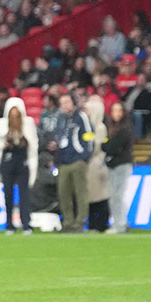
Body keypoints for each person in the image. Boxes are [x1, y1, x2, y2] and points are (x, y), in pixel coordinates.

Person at [0, 96, 37, 234]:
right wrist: (3, 143)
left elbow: (33, 142)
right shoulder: (1, 123)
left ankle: (26, 224)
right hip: (7, 160)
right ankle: (9, 224)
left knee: (24, 194)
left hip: (22, 161)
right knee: (8, 194)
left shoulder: (28, 123)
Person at [54, 93, 92, 232]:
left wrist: (85, 155)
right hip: (63, 161)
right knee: (63, 193)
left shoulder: (81, 117)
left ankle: (80, 222)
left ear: (73, 103)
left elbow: (89, 135)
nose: (64, 105)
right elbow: (58, 136)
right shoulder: (60, 119)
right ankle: (68, 222)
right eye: (62, 103)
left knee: (80, 192)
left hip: (77, 160)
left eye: (67, 102)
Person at [102, 102, 134, 234]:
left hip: (121, 165)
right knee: (115, 196)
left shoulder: (125, 129)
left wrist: (105, 144)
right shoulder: (112, 128)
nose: (117, 114)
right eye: (114, 111)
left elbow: (110, 147)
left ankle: (119, 225)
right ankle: (121, 222)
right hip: (114, 165)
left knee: (117, 196)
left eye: (119, 111)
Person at [83, 97, 111, 232]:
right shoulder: (87, 126)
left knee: (100, 195)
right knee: (90, 195)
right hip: (88, 165)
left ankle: (102, 223)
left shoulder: (100, 127)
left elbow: (95, 146)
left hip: (97, 164)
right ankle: (92, 223)